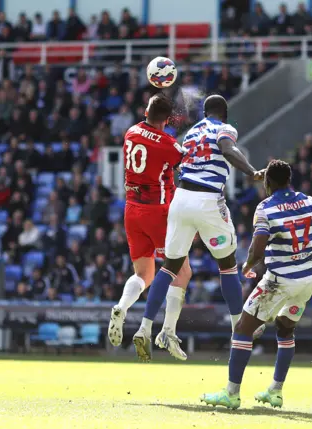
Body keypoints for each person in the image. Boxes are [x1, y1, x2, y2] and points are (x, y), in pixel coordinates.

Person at [200, 159, 312, 410]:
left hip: (280, 280)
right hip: (307, 280)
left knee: (244, 329)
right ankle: (275, 391)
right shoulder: (309, 201)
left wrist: (246, 267)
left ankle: (231, 393)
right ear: (289, 179)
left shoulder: (266, 208)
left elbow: (257, 248)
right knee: (285, 329)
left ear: (268, 182)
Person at [132, 94, 265, 362]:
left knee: (169, 266)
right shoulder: (225, 128)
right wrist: (251, 172)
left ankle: (145, 327)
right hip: (207, 200)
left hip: (180, 199)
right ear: (224, 114)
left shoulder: (191, 132)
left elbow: (177, 161)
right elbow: (228, 149)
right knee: (227, 265)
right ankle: (238, 328)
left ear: (204, 113)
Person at [108, 94, 192, 359]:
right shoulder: (169, 144)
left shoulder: (131, 132)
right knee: (182, 270)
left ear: (146, 111)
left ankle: (122, 306)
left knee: (144, 275)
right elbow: (187, 163)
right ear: (167, 120)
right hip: (157, 211)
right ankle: (168, 331)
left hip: (131, 209)